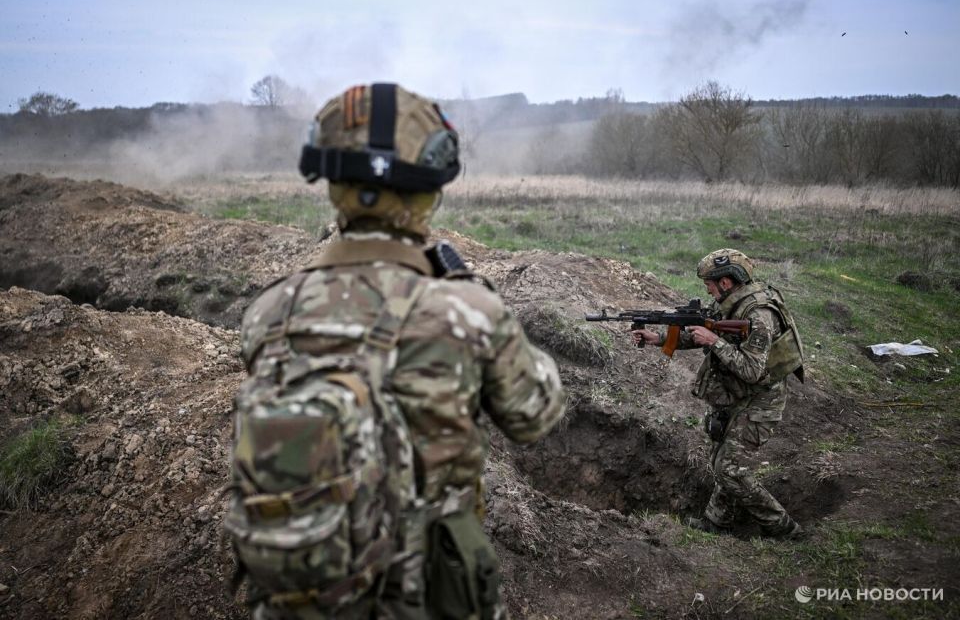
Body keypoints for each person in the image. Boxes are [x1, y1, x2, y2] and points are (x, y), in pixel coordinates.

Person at [235, 83, 566, 619]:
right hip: (428, 595)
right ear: (426, 192)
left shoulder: (268, 312)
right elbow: (535, 416)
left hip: (305, 597)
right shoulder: (465, 313)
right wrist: (489, 310)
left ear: (333, 186)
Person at [633, 248, 804, 539]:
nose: (707, 288)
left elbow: (752, 369)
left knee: (729, 468)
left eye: (710, 283)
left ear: (726, 282)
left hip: (761, 398)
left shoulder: (759, 314)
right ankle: (717, 522)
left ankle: (783, 528)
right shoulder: (728, 303)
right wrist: (658, 337)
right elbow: (700, 332)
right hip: (735, 393)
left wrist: (714, 341)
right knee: (720, 460)